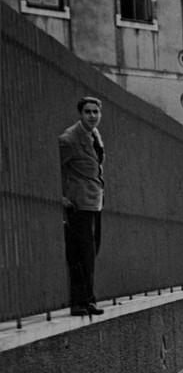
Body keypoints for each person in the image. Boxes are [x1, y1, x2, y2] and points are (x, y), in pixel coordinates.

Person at [59, 96, 106, 317]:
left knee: (91, 253)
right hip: (79, 204)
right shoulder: (69, 139)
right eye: (88, 112)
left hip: (95, 202)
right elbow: (56, 168)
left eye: (95, 112)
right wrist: (61, 196)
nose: (92, 116)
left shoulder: (94, 134)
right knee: (82, 255)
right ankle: (83, 302)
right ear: (80, 113)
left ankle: (86, 301)